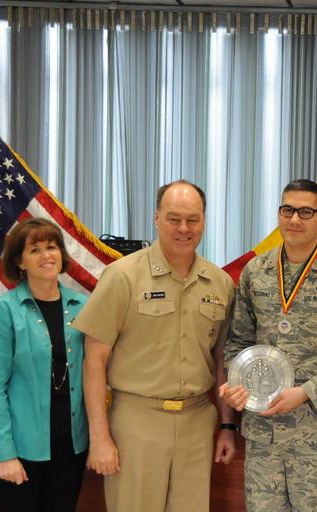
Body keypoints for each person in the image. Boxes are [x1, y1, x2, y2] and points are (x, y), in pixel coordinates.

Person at [73, 180, 236, 512]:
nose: (183, 228)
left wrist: (227, 425)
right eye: (174, 218)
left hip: (197, 422)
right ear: (157, 218)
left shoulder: (219, 283)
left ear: (204, 222)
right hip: (136, 421)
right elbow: (94, 360)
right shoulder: (122, 276)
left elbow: (221, 359)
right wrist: (99, 436)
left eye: (192, 219)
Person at [220, 179, 317, 511]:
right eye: (287, 210)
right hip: (264, 438)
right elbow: (238, 343)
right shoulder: (256, 272)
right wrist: (238, 382)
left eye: (306, 212)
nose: (294, 219)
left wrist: (307, 392)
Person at [0, 218, 88, 511]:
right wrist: (4, 454)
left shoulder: (83, 307)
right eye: (35, 250)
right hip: (20, 450)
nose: (46, 255)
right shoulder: (3, 311)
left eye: (52, 247)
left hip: (71, 447)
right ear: (20, 262)